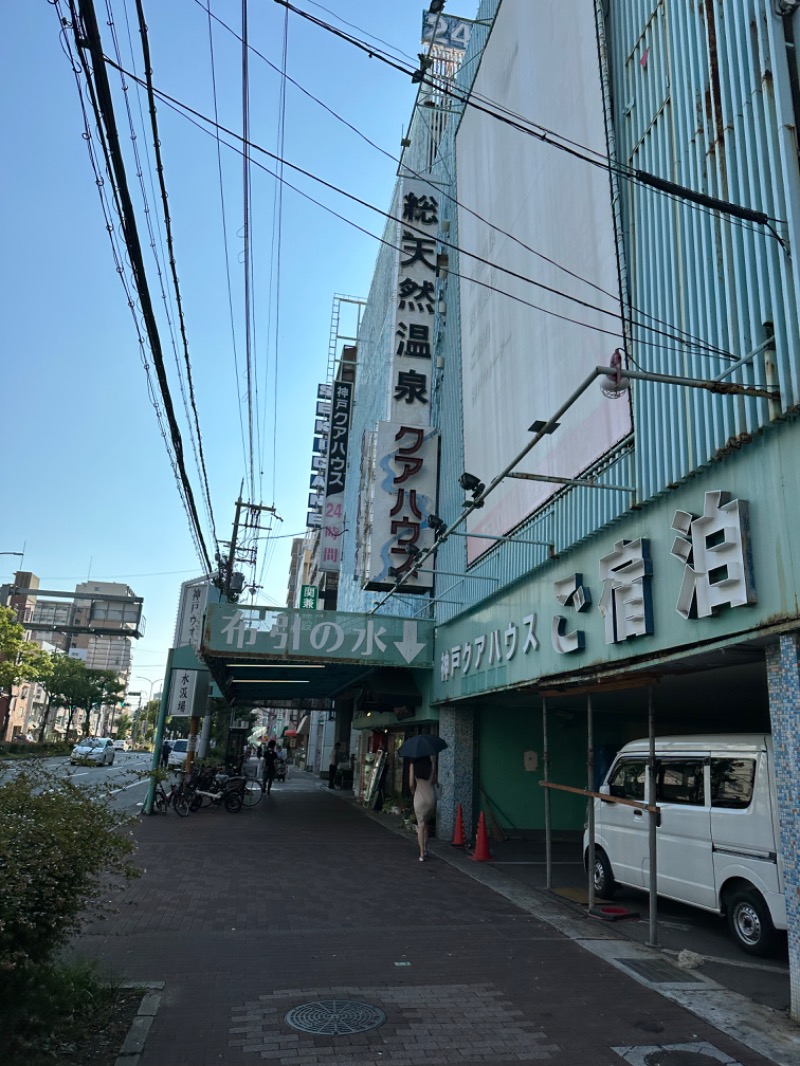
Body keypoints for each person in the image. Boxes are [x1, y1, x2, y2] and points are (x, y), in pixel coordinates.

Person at [409, 755, 436, 862]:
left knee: (420, 824)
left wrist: (413, 793)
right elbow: (434, 781)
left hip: (419, 798)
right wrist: (433, 763)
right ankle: (425, 848)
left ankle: (421, 853)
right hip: (430, 798)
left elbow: (411, 784)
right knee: (426, 824)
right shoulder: (431, 764)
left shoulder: (413, 765)